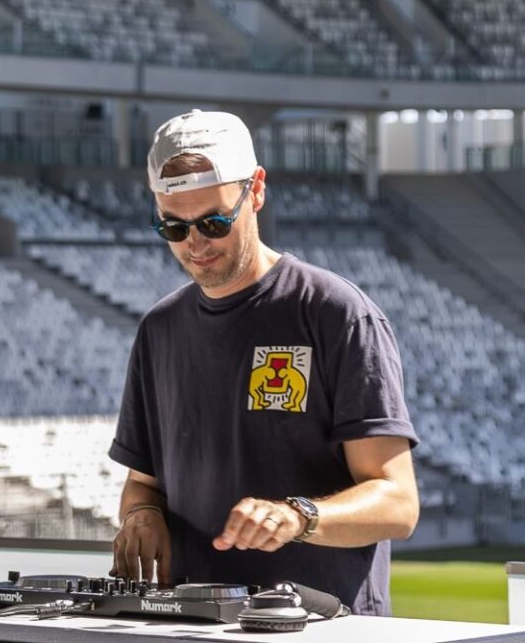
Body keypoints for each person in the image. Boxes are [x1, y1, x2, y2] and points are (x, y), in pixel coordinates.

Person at [108, 109, 419, 616]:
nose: (195, 243)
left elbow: (397, 503)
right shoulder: (159, 329)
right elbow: (144, 483)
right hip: (193, 624)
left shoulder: (335, 314)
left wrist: (298, 516)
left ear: (256, 190)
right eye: (173, 226)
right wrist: (141, 517)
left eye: (213, 221)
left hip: (320, 627)